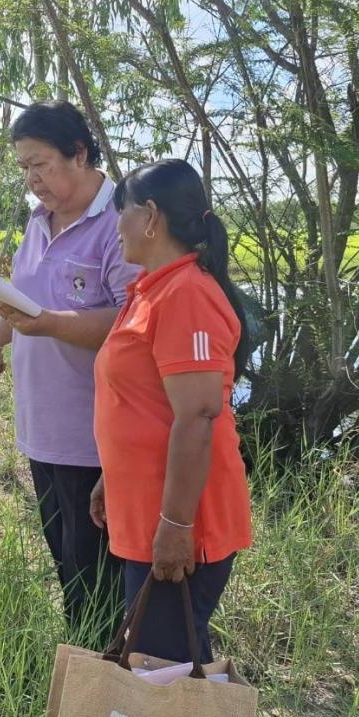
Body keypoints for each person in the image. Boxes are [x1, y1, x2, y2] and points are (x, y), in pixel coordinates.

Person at [0, 101, 140, 645]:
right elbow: (22, 295)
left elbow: (134, 319)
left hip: (91, 434)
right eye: (24, 167)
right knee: (65, 556)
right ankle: (83, 663)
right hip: (41, 425)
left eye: (41, 164)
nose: (32, 180)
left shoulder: (121, 220)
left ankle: (103, 670)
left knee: (95, 565)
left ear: (79, 153)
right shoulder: (39, 218)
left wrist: (50, 325)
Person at [90, 159, 254, 664]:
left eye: (122, 211)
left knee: (164, 669)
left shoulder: (186, 296)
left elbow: (198, 416)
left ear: (151, 217)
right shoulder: (153, 289)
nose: (116, 225)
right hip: (147, 509)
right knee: (163, 661)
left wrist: (178, 526)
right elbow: (141, 402)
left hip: (182, 519)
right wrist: (109, 478)